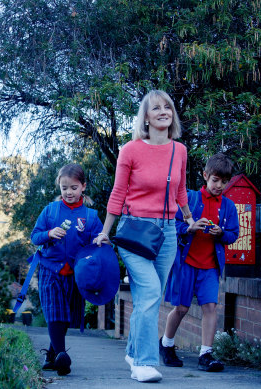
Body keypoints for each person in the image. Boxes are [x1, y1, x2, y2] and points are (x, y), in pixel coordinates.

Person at [94, 90, 194, 382]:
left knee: (149, 297)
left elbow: (180, 191)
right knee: (149, 293)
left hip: (167, 233)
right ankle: (144, 362)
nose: (163, 111)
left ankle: (132, 350)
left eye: (168, 107)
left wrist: (189, 219)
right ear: (146, 117)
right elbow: (118, 193)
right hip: (135, 229)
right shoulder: (131, 150)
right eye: (156, 108)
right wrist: (104, 232)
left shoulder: (180, 151)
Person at [160, 153, 239, 372]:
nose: (219, 185)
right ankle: (166, 344)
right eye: (215, 180)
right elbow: (171, 226)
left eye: (224, 182)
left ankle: (206, 354)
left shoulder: (229, 207)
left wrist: (221, 232)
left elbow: (233, 234)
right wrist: (189, 228)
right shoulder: (190, 199)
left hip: (211, 266)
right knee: (182, 308)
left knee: (210, 307)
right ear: (205, 176)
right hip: (186, 263)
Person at [30, 163, 103, 376]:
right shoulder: (50, 211)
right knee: (55, 313)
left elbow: (97, 242)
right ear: (59, 188)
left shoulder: (90, 216)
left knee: (66, 317)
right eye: (64, 188)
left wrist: (101, 240)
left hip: (75, 274)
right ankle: (62, 357)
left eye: (73, 187)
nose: (68, 192)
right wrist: (49, 233)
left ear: (83, 187)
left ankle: (52, 354)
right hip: (50, 270)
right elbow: (35, 236)